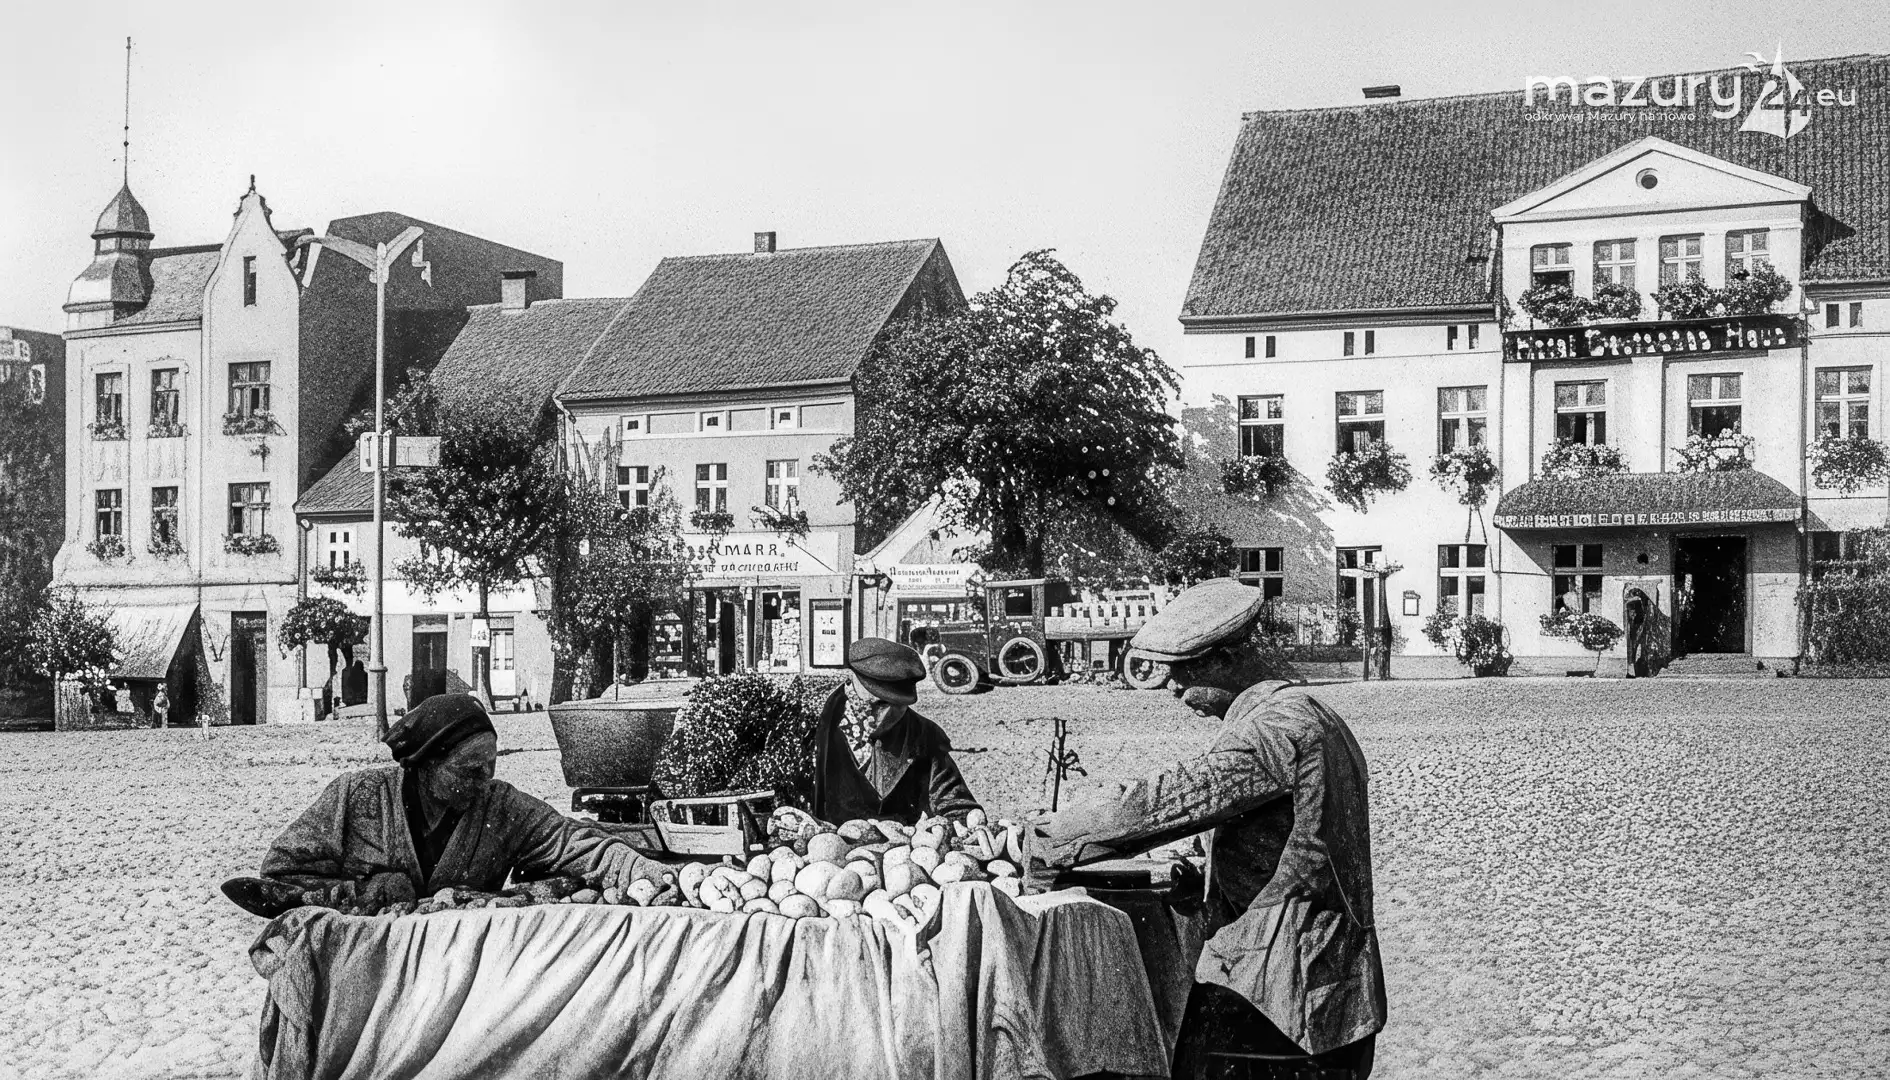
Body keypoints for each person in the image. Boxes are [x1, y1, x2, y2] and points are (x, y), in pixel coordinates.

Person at [1029, 578, 1384, 1079]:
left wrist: (1047, 837)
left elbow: (1164, 802)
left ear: (1226, 658)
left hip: (1281, 989)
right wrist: (1206, 872)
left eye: (1182, 670)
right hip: (1324, 980)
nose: (1171, 687)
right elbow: (1292, 838)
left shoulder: (1273, 729)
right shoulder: (1308, 712)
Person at [231, 694, 670, 915]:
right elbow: (281, 875)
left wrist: (652, 872)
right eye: (470, 771)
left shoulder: (501, 807)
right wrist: (368, 894)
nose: (485, 782)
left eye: (490, 768)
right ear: (426, 764)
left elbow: (577, 843)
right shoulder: (358, 796)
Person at [807, 637, 980, 826]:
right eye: (876, 704)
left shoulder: (924, 735)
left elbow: (957, 807)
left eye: (897, 707)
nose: (882, 719)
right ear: (850, 683)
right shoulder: (810, 729)